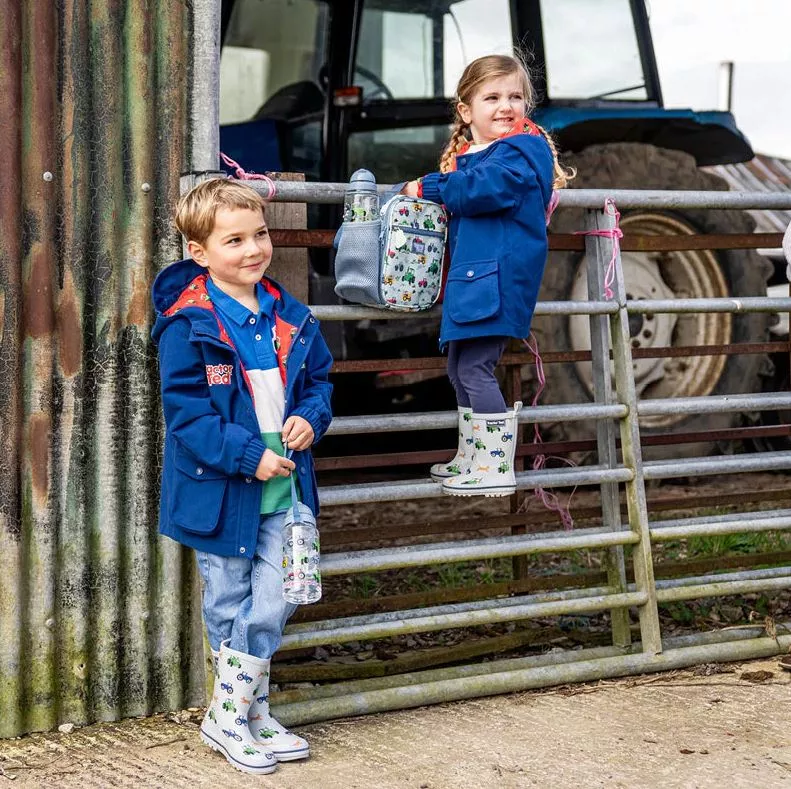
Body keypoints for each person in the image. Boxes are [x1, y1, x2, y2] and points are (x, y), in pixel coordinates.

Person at [151, 178, 333, 775]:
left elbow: (319, 386)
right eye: (235, 240)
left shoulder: (290, 315)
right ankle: (237, 716)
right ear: (200, 253)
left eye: (259, 234)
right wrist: (244, 453)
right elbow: (187, 414)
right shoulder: (188, 326)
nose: (254, 249)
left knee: (276, 595)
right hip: (223, 490)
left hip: (286, 488)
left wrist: (310, 416)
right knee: (229, 599)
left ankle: (240, 710)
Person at [402, 54, 573, 497]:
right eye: (492, 96)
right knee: (460, 370)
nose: (506, 105)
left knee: (476, 368)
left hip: (495, 282)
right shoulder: (473, 157)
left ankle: (496, 466)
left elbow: (485, 189)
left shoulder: (521, 152)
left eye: (515, 96)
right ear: (466, 110)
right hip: (472, 280)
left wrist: (428, 187)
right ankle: (472, 457)